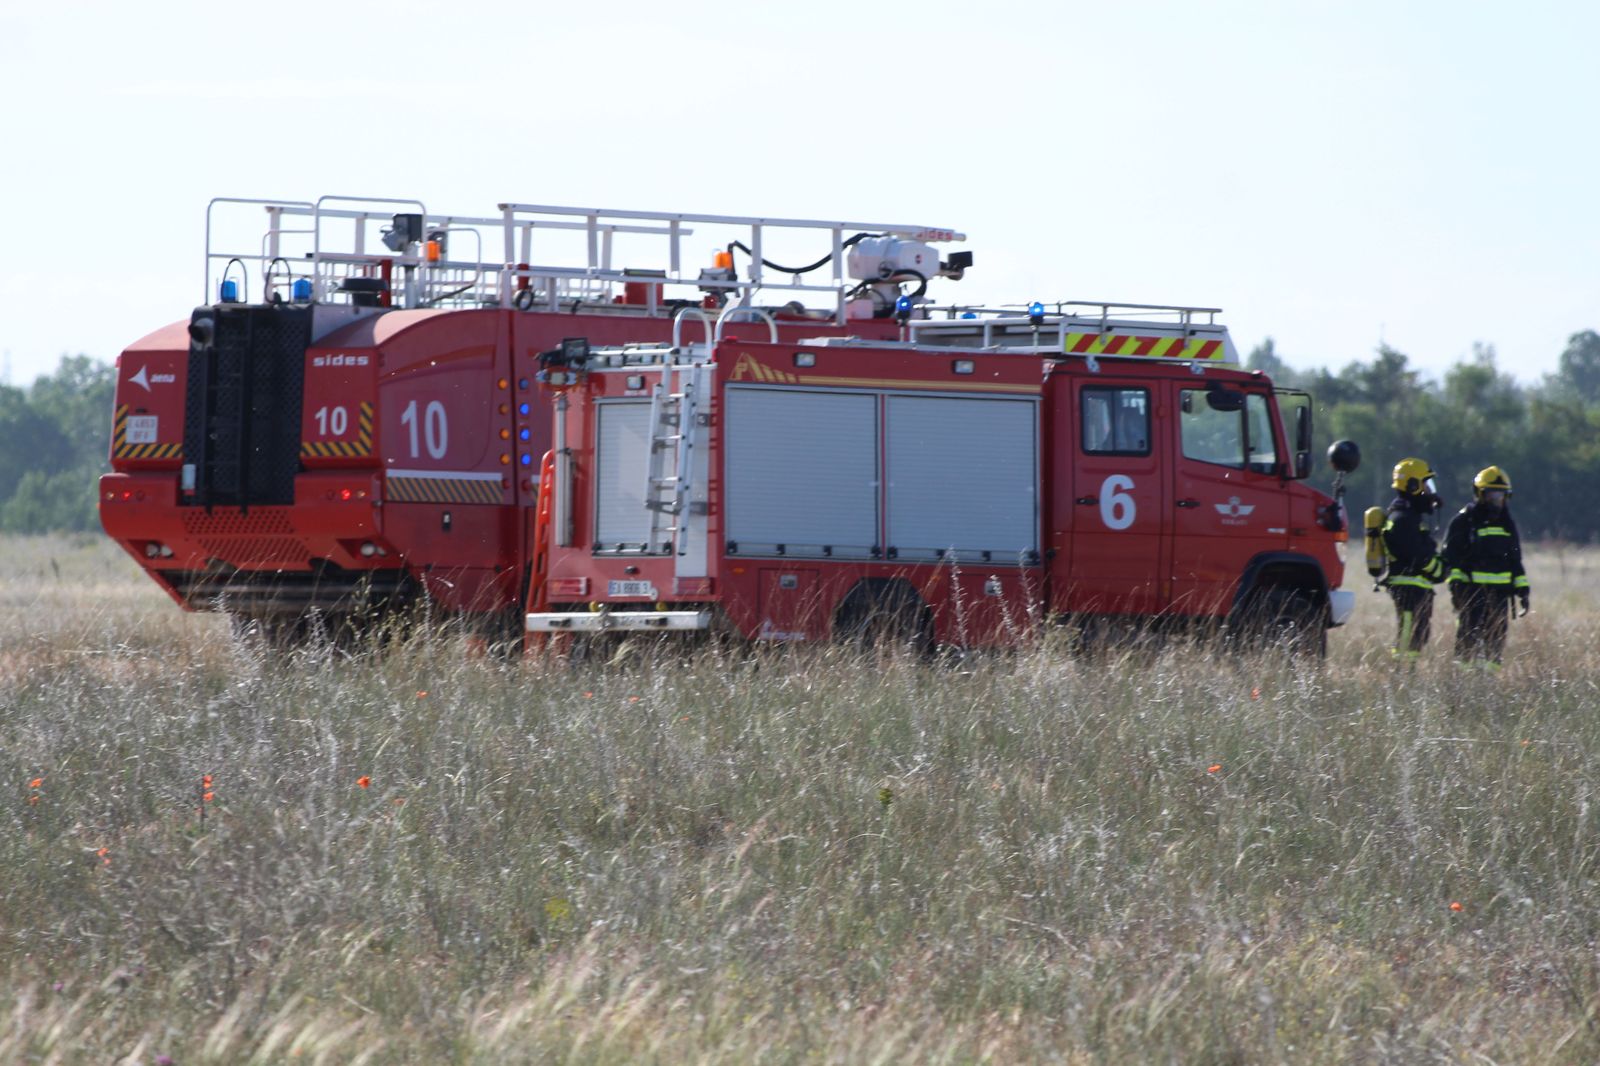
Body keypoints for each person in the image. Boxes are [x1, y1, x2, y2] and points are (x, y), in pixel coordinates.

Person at [1442, 466, 1529, 669]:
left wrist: (1523, 590)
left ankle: (1489, 687)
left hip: (1500, 597)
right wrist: (1457, 589)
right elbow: (1451, 559)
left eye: (1501, 495)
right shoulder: (1464, 522)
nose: (1496, 501)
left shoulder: (1508, 524)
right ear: (1480, 494)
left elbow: (1515, 561)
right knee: (1467, 643)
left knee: (1495, 645)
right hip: (1471, 594)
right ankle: (1461, 686)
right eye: (1492, 495)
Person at [1380, 458, 1447, 661]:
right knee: (1408, 636)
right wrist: (1440, 570)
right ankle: (1401, 678)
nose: (1430, 492)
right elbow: (1418, 556)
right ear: (1412, 485)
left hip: (1416, 588)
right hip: (1408, 588)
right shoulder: (1403, 519)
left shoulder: (1410, 516)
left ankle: (1407, 675)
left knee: (1417, 635)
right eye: (1426, 485)